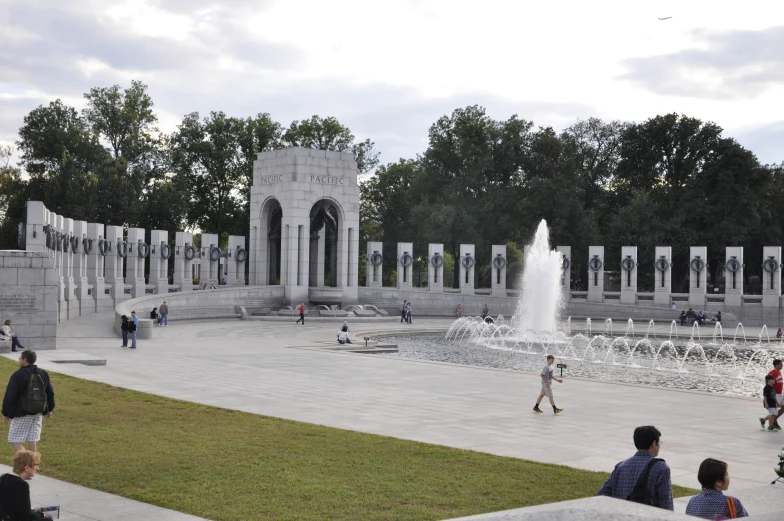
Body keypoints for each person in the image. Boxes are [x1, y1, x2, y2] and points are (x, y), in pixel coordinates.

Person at [597, 426, 673, 510]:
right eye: (659, 442)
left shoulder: (620, 466)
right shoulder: (661, 468)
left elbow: (602, 494)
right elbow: (666, 505)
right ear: (654, 443)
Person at [2, 351, 55, 453]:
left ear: (25, 359)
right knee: (32, 439)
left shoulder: (18, 375)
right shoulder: (43, 373)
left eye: (20, 358)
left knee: (15, 440)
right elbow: (49, 392)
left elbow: (10, 395)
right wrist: (50, 409)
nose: (19, 360)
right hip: (38, 411)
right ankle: (34, 466)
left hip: (22, 412)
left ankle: (27, 464)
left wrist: (6, 412)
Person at [0, 450, 52, 519]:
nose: (38, 468)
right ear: (27, 468)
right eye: (35, 465)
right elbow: (26, 516)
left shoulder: (3, 477)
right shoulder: (21, 485)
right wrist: (43, 515)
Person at [769, 359, 784, 428]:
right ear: (776, 365)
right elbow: (768, 384)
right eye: (781, 364)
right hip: (776, 394)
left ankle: (775, 419)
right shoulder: (772, 373)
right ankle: (772, 424)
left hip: (781, 393)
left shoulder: (779, 372)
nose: (782, 365)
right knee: (774, 410)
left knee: (783, 408)